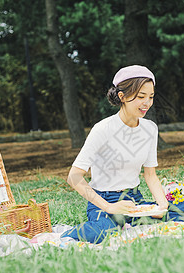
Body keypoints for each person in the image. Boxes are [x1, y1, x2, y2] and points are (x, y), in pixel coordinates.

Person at [61, 65, 168, 244]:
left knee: (174, 216)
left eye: (150, 97)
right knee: (106, 233)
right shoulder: (102, 129)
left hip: (134, 198)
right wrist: (109, 207)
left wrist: (162, 205)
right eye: (141, 97)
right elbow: (74, 177)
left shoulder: (150, 128)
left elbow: (150, 175)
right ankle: (68, 235)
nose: (147, 103)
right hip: (104, 199)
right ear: (122, 97)